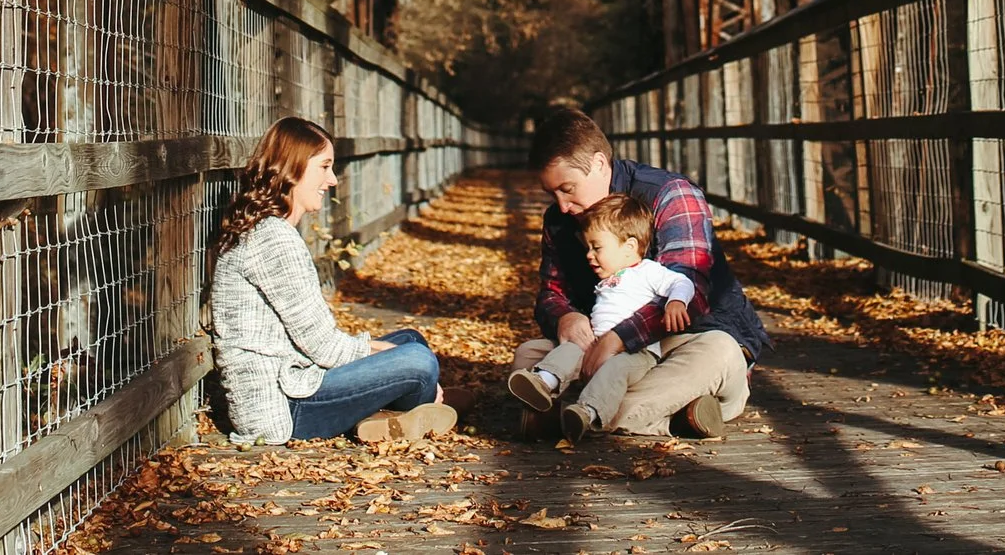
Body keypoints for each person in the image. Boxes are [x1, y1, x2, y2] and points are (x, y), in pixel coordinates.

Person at [510, 109, 770, 438]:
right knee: (528, 355)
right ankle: (672, 413)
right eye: (552, 194)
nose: (562, 205)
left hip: (687, 340)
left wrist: (620, 338)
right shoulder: (560, 220)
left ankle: (578, 414)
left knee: (718, 352)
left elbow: (692, 291)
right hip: (605, 347)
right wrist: (565, 318)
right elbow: (551, 293)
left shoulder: (670, 195)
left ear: (600, 164)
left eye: (568, 188)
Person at [208, 116, 457, 445]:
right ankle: (412, 411)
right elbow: (326, 348)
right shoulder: (273, 240)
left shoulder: (271, 231)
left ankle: (394, 414)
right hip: (285, 406)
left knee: (411, 340)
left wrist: (387, 350)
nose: (333, 179)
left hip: (297, 380)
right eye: (324, 167)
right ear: (293, 167)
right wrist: (387, 351)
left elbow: (319, 344)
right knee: (419, 361)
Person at [508, 192, 696, 440]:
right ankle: (543, 382)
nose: (589, 255)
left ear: (629, 246)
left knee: (614, 371)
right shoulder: (609, 279)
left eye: (597, 247)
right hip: (595, 345)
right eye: (587, 247)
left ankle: (587, 412)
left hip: (636, 353)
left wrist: (676, 302)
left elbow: (682, 282)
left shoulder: (648, 271)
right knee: (569, 349)